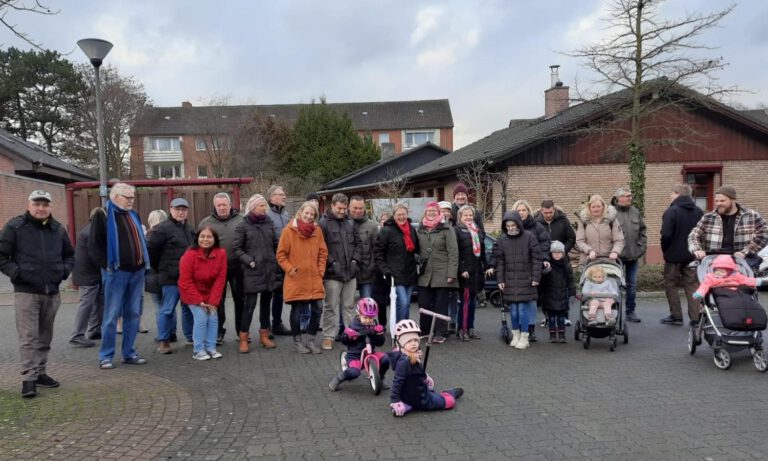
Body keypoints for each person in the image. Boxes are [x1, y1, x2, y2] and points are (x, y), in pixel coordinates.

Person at [0, 190, 75, 398]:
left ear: (50, 207)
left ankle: (41, 372)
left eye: (45, 204)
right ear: (28, 205)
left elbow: (70, 255)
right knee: (28, 337)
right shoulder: (15, 227)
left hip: (52, 291)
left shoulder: (58, 229)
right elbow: (2, 255)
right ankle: (29, 379)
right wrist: (16, 273)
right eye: (37, 204)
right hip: (26, 292)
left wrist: (63, 271)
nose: (41, 208)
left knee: (45, 335)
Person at [89, 183, 150, 370]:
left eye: (132, 197)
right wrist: (106, 267)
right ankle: (106, 356)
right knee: (111, 315)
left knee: (133, 313)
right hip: (116, 272)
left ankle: (129, 352)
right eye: (127, 197)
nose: (131, 200)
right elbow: (94, 246)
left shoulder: (133, 214)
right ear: (115, 197)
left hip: (137, 271)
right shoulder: (103, 215)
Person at [276, 201, 328, 354]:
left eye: (312, 214)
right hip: (296, 277)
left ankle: (311, 340)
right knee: (297, 310)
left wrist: (321, 270)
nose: (309, 216)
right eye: (306, 213)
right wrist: (290, 269)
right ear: (300, 213)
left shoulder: (317, 231)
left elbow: (323, 252)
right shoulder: (289, 231)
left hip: (314, 278)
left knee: (318, 308)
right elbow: (281, 254)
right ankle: (297, 342)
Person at [387, 319, 464, 417]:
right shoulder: (405, 361)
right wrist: (395, 401)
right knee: (449, 402)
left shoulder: (405, 355)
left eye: (416, 340)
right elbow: (397, 382)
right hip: (422, 398)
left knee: (427, 392)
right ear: (400, 343)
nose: (414, 343)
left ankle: (408, 405)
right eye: (409, 341)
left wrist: (425, 376)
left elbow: (413, 373)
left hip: (409, 395)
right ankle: (450, 393)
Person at [232, 194, 280, 352]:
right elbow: (237, 249)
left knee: (266, 304)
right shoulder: (242, 225)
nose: (264, 208)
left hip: (268, 269)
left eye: (265, 206)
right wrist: (249, 261)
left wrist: (274, 260)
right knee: (249, 306)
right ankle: (244, 338)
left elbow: (275, 243)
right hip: (252, 271)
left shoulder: (269, 223)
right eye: (261, 206)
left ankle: (264, 335)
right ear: (253, 207)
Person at [148, 197, 196, 353]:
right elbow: (151, 252)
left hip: (187, 278)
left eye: (184, 209)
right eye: (178, 209)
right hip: (170, 278)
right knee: (167, 309)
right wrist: (162, 268)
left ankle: (190, 337)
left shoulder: (189, 229)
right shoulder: (161, 229)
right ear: (171, 209)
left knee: (188, 309)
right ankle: (163, 341)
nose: (181, 212)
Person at [199, 192, 245, 346]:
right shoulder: (206, 223)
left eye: (224, 204)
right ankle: (218, 332)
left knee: (241, 301)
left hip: (238, 268)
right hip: (216, 270)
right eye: (219, 205)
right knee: (217, 301)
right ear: (214, 206)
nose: (222, 208)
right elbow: (200, 246)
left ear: (230, 205)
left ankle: (241, 331)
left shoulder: (242, 220)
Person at [688, 186, 768, 272]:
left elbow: (764, 234)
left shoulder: (751, 215)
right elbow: (694, 234)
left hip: (743, 263)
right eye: (717, 201)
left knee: (742, 285)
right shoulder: (709, 217)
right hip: (714, 263)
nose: (718, 203)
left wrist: (746, 252)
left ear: (733, 200)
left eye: (722, 201)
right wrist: (697, 249)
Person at [494, 211, 543, 350]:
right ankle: (515, 334)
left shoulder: (529, 237)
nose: (511, 228)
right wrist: (500, 279)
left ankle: (525, 336)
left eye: (513, 225)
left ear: (518, 224)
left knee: (522, 310)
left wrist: (535, 277)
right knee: (514, 311)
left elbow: (536, 258)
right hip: (510, 280)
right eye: (508, 226)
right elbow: (500, 261)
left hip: (526, 280)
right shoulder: (502, 239)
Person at [319, 193, 361, 350]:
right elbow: (321, 247)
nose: (342, 211)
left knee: (349, 306)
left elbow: (358, 243)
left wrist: (355, 260)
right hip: (332, 273)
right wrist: (332, 262)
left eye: (344, 208)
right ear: (333, 206)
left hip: (350, 272)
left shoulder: (350, 222)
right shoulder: (323, 223)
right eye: (339, 208)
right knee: (331, 306)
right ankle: (328, 336)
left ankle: (351, 335)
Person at [178, 226, 227, 360]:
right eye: (202, 236)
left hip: (210, 293)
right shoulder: (189, 255)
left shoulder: (221, 253)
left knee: (213, 317)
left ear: (214, 239)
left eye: (209, 237)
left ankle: (210, 347)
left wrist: (213, 302)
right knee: (201, 318)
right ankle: (198, 350)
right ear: (197, 238)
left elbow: (220, 280)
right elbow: (185, 280)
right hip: (191, 292)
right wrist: (199, 301)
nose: (205, 239)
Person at [660, 184, 704, 326]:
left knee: (671, 284)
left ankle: (676, 316)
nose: (670, 196)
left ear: (678, 193)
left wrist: (666, 250)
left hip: (673, 256)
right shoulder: (698, 211)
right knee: (692, 285)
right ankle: (696, 318)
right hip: (692, 255)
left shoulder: (671, 211)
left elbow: (666, 234)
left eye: (672, 193)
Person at [416, 201, 459, 342]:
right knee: (423, 302)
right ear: (425, 213)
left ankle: (440, 332)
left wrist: (452, 274)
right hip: (425, 273)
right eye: (429, 211)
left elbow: (453, 252)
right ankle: (425, 330)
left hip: (442, 272)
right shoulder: (420, 229)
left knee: (440, 305)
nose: (432, 213)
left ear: (439, 212)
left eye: (434, 211)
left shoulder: (447, 229)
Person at [328, 298, 389, 391]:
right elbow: (344, 341)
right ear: (358, 315)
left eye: (371, 318)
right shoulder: (353, 326)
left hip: (370, 354)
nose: (369, 320)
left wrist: (379, 334)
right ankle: (339, 378)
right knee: (354, 373)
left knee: (386, 359)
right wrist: (348, 335)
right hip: (355, 355)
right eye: (365, 318)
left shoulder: (374, 325)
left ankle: (380, 377)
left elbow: (380, 343)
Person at [535, 199, 577, 327]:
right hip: (545, 260)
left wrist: (564, 250)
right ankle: (547, 316)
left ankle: (564, 316)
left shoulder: (563, 221)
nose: (548, 215)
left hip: (561, 260)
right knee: (546, 289)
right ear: (541, 211)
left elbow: (571, 238)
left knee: (562, 288)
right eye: (546, 212)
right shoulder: (536, 223)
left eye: (550, 212)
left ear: (554, 209)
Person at [454, 205, 493, 341]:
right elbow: (456, 253)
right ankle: (461, 329)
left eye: (471, 215)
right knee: (465, 302)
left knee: (472, 303)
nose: (469, 217)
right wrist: (462, 269)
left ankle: (471, 328)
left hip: (476, 272)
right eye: (466, 215)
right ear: (460, 217)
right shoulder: (457, 231)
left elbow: (482, 253)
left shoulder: (478, 231)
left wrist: (488, 266)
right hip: (465, 273)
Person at [374, 203, 419, 322]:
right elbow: (378, 252)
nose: (401, 217)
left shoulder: (411, 229)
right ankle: (400, 328)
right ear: (393, 216)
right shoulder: (386, 231)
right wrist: (385, 269)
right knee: (403, 302)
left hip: (410, 272)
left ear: (407, 214)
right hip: (395, 273)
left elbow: (417, 248)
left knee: (407, 304)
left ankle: (404, 328)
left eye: (403, 214)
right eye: (398, 214)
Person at [514, 199, 550, 342]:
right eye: (519, 210)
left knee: (531, 300)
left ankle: (530, 328)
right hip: (516, 268)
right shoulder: (511, 226)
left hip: (532, 267)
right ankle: (519, 328)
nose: (521, 213)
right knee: (518, 300)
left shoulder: (537, 226)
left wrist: (545, 259)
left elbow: (545, 243)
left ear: (528, 211)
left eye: (524, 210)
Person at [69, 207, 105, 348]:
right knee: (87, 304)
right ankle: (77, 335)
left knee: (97, 301)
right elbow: (95, 254)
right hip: (88, 274)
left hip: (87, 273)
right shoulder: (92, 232)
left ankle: (94, 330)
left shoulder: (88, 229)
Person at [611, 187, 647, 323]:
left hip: (633, 255)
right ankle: (612, 311)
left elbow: (643, 231)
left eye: (631, 195)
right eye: (627, 196)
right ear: (618, 198)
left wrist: (641, 247)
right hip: (616, 257)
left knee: (632, 284)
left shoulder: (635, 212)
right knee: (614, 285)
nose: (630, 198)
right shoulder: (610, 212)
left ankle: (630, 311)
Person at [265, 185, 292, 337]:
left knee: (280, 295)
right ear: (271, 197)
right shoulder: (267, 215)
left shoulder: (287, 215)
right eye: (280, 194)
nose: (284, 197)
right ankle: (266, 326)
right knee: (269, 294)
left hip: (285, 262)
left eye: (284, 194)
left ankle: (277, 323)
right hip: (271, 261)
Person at [575, 194, 624, 268]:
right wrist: (589, 251)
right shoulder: (584, 222)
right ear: (589, 208)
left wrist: (615, 252)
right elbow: (580, 241)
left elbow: (619, 240)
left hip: (608, 260)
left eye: (598, 206)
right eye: (593, 207)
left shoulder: (611, 220)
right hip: (589, 260)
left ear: (603, 207)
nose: (596, 209)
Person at [539, 241, 574, 343]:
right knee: (552, 317)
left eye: (559, 252)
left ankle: (562, 335)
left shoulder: (566, 265)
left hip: (562, 295)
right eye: (554, 252)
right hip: (550, 296)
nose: (557, 254)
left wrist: (572, 293)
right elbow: (542, 284)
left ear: (563, 253)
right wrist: (544, 274)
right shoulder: (547, 266)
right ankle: (553, 335)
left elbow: (570, 280)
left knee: (561, 317)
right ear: (551, 253)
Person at [144, 210, 170, 345]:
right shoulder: (169, 234)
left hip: (152, 276)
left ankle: (162, 335)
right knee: (169, 306)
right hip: (167, 275)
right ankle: (171, 332)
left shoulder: (148, 237)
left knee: (159, 307)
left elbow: (147, 258)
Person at [349, 196, 378, 300]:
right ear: (349, 207)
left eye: (360, 208)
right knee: (346, 308)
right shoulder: (343, 224)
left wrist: (372, 267)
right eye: (355, 208)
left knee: (367, 306)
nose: (358, 211)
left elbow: (376, 250)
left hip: (367, 273)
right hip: (348, 273)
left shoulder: (372, 226)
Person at [693, 255, 758, 299]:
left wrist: (759, 281)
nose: (718, 273)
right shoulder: (710, 277)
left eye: (722, 272)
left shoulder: (735, 276)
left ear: (729, 272)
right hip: (720, 295)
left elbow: (746, 280)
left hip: (736, 294)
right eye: (717, 270)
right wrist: (700, 293)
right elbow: (704, 286)